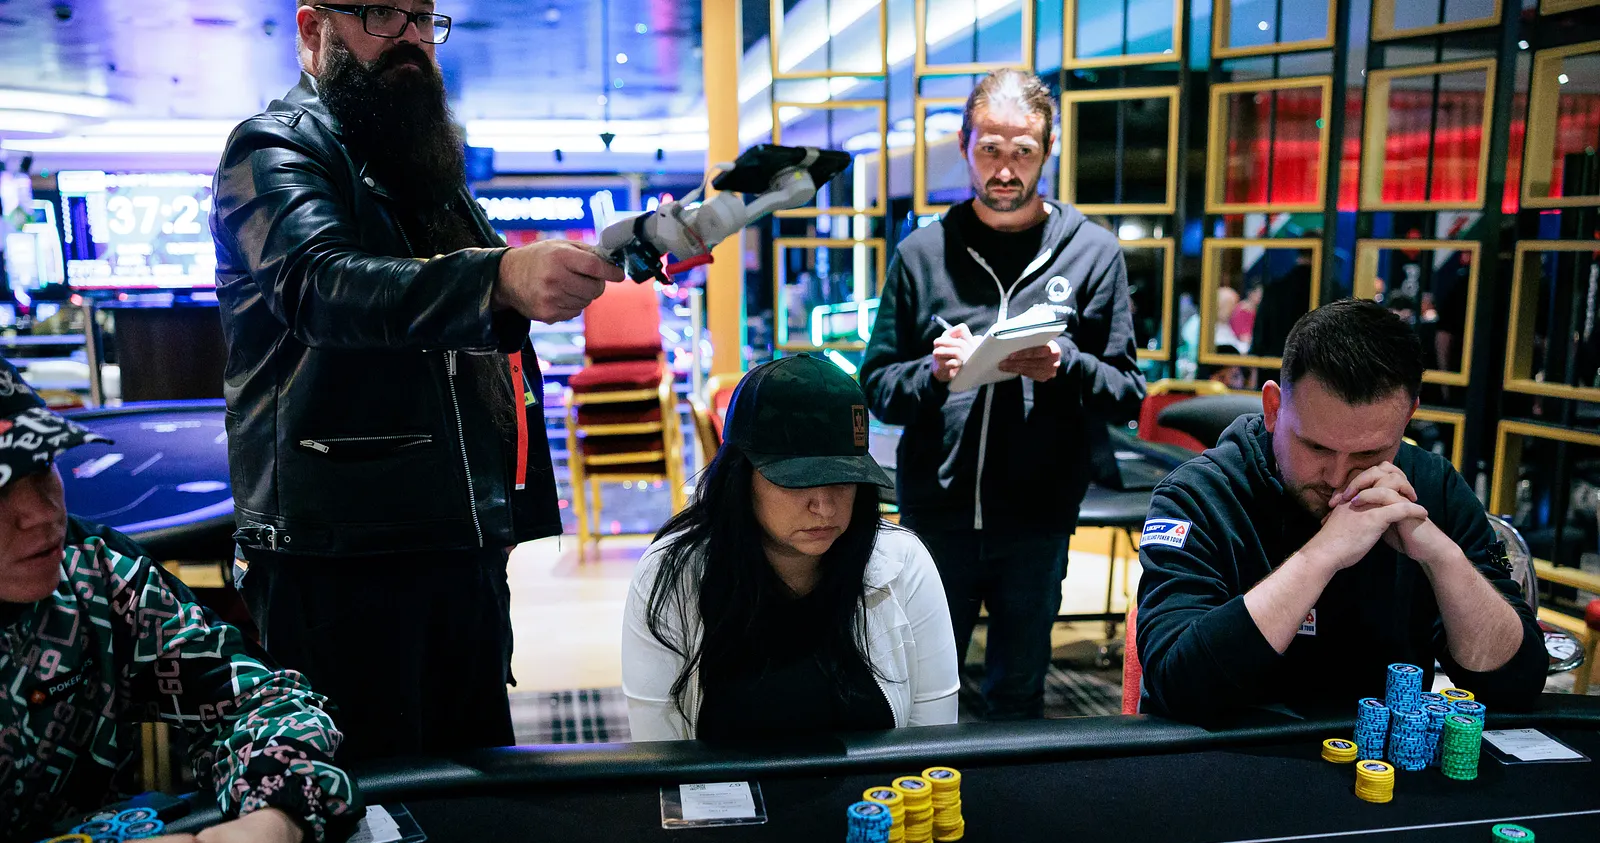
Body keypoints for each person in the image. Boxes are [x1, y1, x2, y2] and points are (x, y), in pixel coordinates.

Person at [211, 0, 625, 760]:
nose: (410, 38)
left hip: (457, 546)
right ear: (313, 29)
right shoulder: (271, 148)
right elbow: (321, 286)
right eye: (380, 14)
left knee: (471, 797)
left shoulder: (415, 165)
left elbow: (476, 314)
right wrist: (499, 277)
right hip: (338, 558)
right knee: (368, 801)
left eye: (423, 18)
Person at [0, 365, 358, 843]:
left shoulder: (92, 570)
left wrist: (276, 811)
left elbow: (262, 699)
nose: (39, 512)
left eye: (42, 468)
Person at [860, 68, 1145, 721]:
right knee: (921, 692)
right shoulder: (923, 253)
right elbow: (876, 386)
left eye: (1023, 151)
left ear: (1049, 150)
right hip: (937, 513)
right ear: (964, 144)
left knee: (1018, 695)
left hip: (1038, 517)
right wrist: (934, 373)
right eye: (990, 148)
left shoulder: (1092, 252)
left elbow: (1127, 393)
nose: (1006, 169)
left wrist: (1065, 364)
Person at [1135, 300, 1545, 723]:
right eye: (1316, 447)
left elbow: (1517, 685)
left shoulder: (1432, 487)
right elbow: (1176, 687)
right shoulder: (1197, 496)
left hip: (1375, 757)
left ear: (1407, 418)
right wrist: (1321, 556)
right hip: (1229, 751)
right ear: (1274, 408)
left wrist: (1442, 559)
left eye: (1368, 453)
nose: (1336, 477)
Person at [622, 356, 958, 741]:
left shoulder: (902, 563)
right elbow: (661, 756)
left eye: (843, 479)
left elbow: (930, 747)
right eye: (798, 481)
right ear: (740, 477)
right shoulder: (672, 574)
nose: (824, 507)